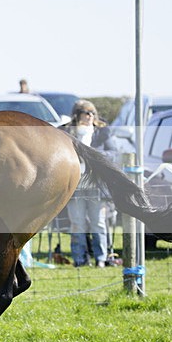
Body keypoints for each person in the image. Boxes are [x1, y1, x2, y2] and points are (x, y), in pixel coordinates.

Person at [61, 99, 111, 267]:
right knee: (77, 222)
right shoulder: (66, 131)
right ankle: (80, 259)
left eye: (92, 113)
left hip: (96, 183)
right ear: (77, 115)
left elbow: (111, 153)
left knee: (98, 222)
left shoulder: (102, 132)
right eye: (86, 113)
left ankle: (101, 258)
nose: (90, 116)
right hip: (75, 183)